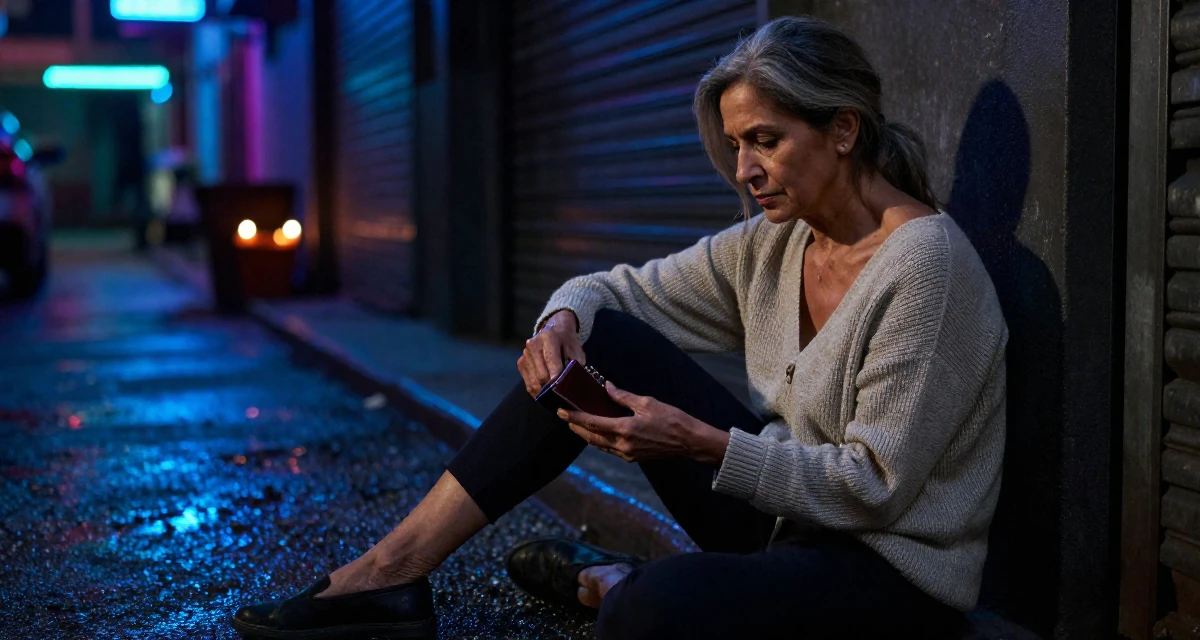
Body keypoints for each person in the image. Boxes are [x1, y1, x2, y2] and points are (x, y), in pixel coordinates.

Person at [231, 16, 1006, 640]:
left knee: (649, 612)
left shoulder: (924, 267)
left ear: (842, 130)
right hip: (786, 523)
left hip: (889, 576)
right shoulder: (780, 241)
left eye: (765, 140)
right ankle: (393, 571)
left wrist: (701, 444)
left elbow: (874, 489)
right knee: (594, 338)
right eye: (737, 145)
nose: (744, 170)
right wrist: (560, 322)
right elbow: (610, 292)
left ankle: (627, 581)